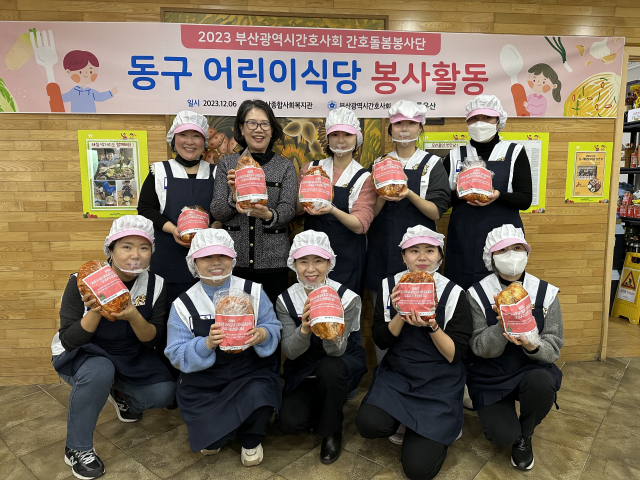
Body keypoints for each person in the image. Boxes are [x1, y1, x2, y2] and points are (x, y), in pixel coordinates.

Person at [51, 215, 175, 480]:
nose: (135, 255)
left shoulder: (156, 285)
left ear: (152, 251)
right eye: (126, 246)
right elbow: (69, 339)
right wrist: (97, 309)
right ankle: (77, 448)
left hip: (129, 353)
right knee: (99, 371)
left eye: (144, 247)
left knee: (164, 392)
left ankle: (120, 394)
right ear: (110, 249)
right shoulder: (82, 280)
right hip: (82, 353)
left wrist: (133, 315)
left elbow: (152, 340)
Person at [356, 226, 472, 480]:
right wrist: (400, 312)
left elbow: (455, 355)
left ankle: (447, 422)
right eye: (414, 250)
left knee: (418, 470)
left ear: (440, 256)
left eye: (430, 250)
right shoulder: (389, 286)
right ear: (403, 256)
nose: (422, 257)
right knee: (368, 425)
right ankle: (405, 420)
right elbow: (381, 340)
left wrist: (432, 325)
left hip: (439, 379)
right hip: (399, 374)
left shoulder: (454, 293)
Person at [165, 229, 282, 466]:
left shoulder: (253, 291)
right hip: (205, 379)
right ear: (194, 262)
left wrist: (262, 334)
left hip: (249, 371)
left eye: (223, 256)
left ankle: (251, 438)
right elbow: (175, 352)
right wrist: (206, 344)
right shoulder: (183, 304)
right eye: (207, 257)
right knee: (210, 440)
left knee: (259, 395)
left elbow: (273, 326)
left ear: (233, 259)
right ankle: (219, 432)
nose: (216, 262)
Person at [465, 224, 563, 471]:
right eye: (503, 250)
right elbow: (478, 346)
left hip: (531, 369)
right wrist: (502, 326)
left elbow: (554, 347)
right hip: (491, 373)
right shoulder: (477, 294)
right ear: (491, 257)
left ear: (527, 252)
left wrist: (532, 344)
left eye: (517, 248)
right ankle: (508, 422)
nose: (511, 255)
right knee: (502, 436)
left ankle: (526, 434)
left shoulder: (545, 292)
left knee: (541, 383)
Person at [363, 100, 450, 362]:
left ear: (420, 128)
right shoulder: (379, 163)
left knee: (421, 310)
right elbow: (369, 214)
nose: (404, 129)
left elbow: (436, 212)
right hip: (381, 251)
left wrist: (408, 192)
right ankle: (385, 371)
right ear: (390, 128)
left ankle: (421, 368)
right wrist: (382, 196)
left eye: (411, 123)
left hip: (420, 255)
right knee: (385, 313)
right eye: (398, 123)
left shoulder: (432, 164)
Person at [276, 231, 367, 464]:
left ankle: (332, 431)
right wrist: (305, 328)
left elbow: (337, 351)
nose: (310, 269)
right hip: (304, 365)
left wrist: (328, 324)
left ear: (329, 263)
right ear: (293, 264)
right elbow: (290, 351)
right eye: (303, 261)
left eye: (318, 261)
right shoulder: (286, 300)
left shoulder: (347, 298)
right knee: (289, 423)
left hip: (339, 361)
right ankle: (323, 404)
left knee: (330, 368)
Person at [211, 99, 297, 304]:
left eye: (264, 124)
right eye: (252, 123)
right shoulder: (228, 164)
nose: (259, 129)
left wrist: (269, 215)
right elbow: (217, 211)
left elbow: (288, 209)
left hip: (273, 262)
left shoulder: (285, 166)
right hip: (234, 261)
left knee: (272, 318)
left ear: (272, 129)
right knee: (235, 316)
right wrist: (234, 198)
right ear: (241, 128)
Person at [443, 94, 533, 290]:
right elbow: (442, 201)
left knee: (502, 296)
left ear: (498, 121)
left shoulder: (514, 152)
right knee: (462, 296)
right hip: (463, 239)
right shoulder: (454, 155)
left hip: (503, 241)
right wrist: (461, 194)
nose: (480, 123)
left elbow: (525, 199)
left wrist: (498, 196)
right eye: (474, 118)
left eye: (487, 118)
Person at [138, 111, 215, 310]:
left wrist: (211, 231)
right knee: (166, 310)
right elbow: (145, 209)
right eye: (183, 135)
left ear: (204, 141)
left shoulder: (216, 173)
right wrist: (174, 230)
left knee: (205, 311)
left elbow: (223, 211)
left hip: (208, 255)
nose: (190, 142)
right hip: (168, 254)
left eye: (196, 136)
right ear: (173, 139)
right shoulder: (158, 171)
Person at [296, 107, 374, 295]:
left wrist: (332, 210)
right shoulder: (311, 168)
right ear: (328, 138)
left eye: (347, 134)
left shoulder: (364, 177)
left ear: (357, 138)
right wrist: (303, 197)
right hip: (312, 256)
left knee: (344, 304)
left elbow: (360, 225)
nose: (340, 140)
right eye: (335, 134)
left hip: (347, 256)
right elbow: (296, 210)